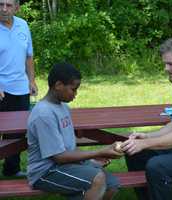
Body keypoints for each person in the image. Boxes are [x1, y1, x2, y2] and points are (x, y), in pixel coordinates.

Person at [27, 62, 123, 200]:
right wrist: (99, 151)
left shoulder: (63, 108)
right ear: (58, 85)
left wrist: (91, 160)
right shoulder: (43, 114)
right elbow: (59, 157)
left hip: (65, 165)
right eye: (73, 89)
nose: (76, 94)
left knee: (112, 184)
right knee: (97, 179)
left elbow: (69, 148)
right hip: (45, 173)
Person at [121, 36, 172, 200]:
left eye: (170, 64)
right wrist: (146, 137)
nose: (165, 68)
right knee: (134, 151)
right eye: (165, 63)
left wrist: (144, 143)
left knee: (157, 167)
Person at [0, 0, 37, 176]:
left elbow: (29, 56)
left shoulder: (23, 25)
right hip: (1, 89)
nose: (4, 9)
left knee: (17, 132)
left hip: (21, 88)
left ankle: (11, 169)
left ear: (17, 8)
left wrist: (32, 81)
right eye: (0, 4)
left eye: (8, 5)